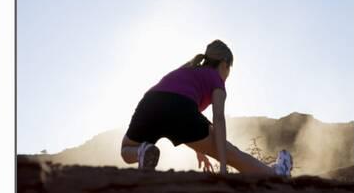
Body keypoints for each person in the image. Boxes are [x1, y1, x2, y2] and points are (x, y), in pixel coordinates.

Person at [121, 39, 293, 177]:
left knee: (126, 149)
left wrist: (200, 152)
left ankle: (142, 151)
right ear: (225, 64)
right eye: (229, 69)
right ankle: (277, 173)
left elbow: (182, 116)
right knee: (230, 152)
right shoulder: (216, 80)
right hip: (181, 108)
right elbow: (217, 119)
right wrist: (223, 166)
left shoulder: (188, 70)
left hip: (150, 102)